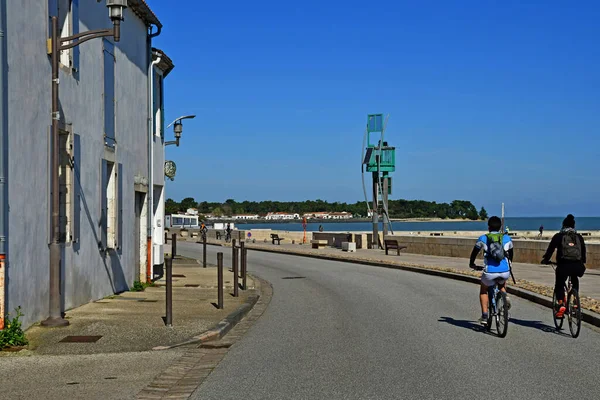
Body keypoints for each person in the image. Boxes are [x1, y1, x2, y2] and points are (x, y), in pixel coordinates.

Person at [469, 216, 514, 325]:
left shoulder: (483, 238)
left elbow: (474, 253)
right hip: (505, 271)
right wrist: (510, 264)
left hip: (490, 272)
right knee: (502, 284)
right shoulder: (506, 238)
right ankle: (505, 296)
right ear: (500, 227)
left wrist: (472, 264)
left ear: (488, 227)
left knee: (484, 290)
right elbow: (511, 253)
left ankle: (484, 316)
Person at [541, 214, 586, 318]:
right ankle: (575, 300)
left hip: (564, 266)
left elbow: (550, 250)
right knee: (574, 278)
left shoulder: (559, 236)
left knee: (559, 284)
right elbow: (583, 252)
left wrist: (546, 260)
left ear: (563, 225)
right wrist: (582, 263)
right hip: (577, 266)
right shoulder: (579, 237)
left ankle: (561, 304)